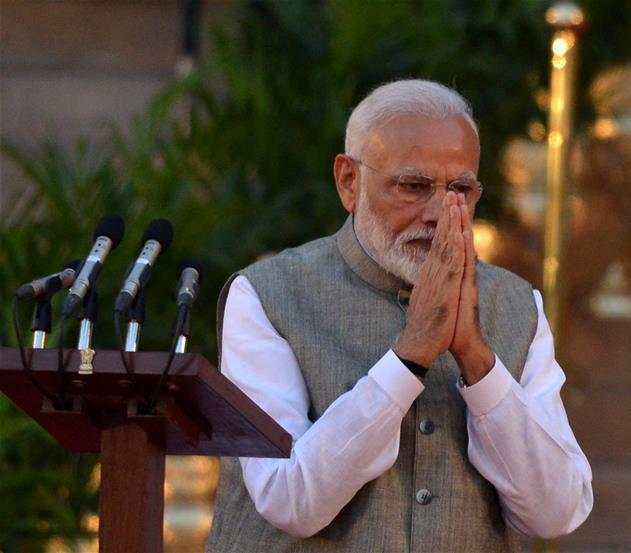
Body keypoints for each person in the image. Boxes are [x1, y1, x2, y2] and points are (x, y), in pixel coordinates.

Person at [206, 79, 592, 553]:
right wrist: (409, 357)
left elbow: (556, 513)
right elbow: (290, 499)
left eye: (460, 189)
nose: (439, 213)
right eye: (414, 187)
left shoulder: (515, 305)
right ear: (349, 182)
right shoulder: (268, 295)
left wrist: (477, 359)